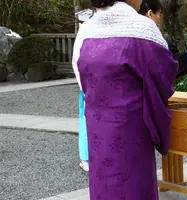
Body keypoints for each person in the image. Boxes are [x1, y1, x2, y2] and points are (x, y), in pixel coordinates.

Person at [72, 0, 178, 199]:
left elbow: (80, 75)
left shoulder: (87, 29)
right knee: (134, 184)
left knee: (104, 184)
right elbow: (163, 74)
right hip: (131, 126)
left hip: (98, 124)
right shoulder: (142, 27)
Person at [138, 0, 187, 78]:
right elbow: (169, 63)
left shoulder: (130, 35)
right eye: (159, 13)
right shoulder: (150, 40)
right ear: (150, 13)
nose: (159, 21)